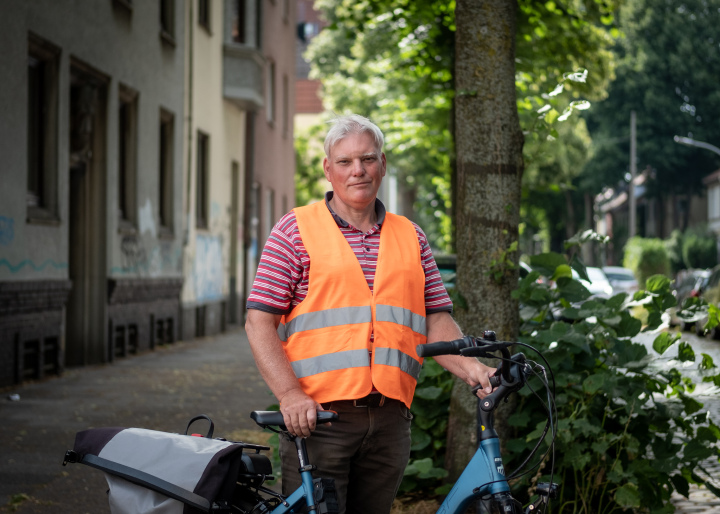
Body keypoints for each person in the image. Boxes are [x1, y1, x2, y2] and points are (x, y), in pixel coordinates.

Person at [245, 114, 495, 514]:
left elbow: (435, 319)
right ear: (328, 169)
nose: (357, 170)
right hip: (319, 419)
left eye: (367, 158)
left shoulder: (411, 236)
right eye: (344, 162)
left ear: (383, 164)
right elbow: (258, 322)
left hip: (391, 420)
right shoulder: (294, 230)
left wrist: (473, 370)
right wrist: (289, 395)